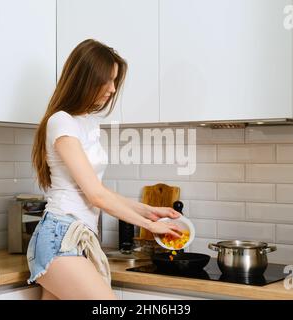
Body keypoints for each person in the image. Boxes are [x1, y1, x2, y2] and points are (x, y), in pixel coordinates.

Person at [28, 39, 183, 300]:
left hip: (78, 238)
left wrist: (150, 211)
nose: (112, 89)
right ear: (86, 79)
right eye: (107, 80)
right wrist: (149, 226)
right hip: (59, 237)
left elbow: (99, 191)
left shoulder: (87, 123)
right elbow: (96, 196)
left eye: (115, 81)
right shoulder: (61, 122)